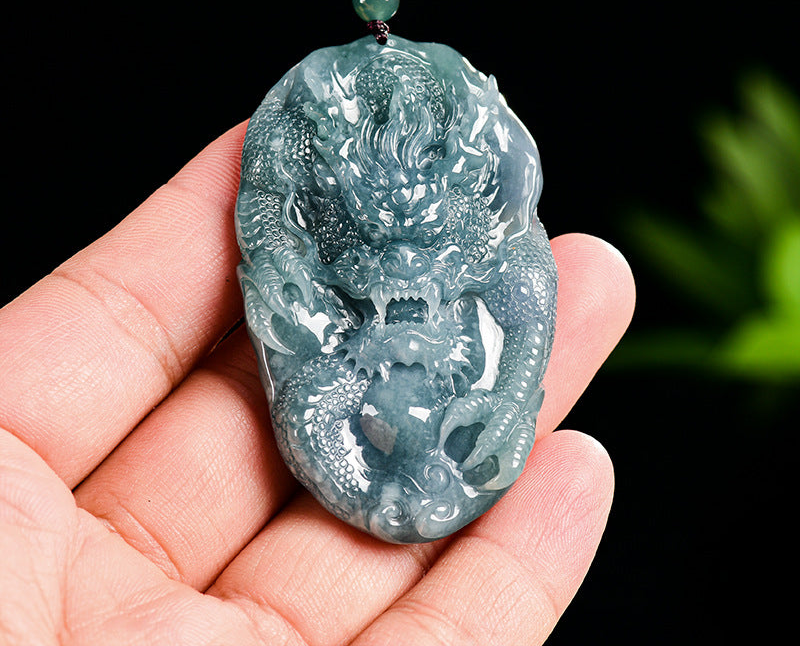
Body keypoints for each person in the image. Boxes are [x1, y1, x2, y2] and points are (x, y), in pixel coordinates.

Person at [0, 122, 635, 645]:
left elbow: (523, 280)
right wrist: (282, 261)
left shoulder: (482, 228)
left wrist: (514, 391)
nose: (404, 266)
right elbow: (273, 206)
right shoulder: (311, 190)